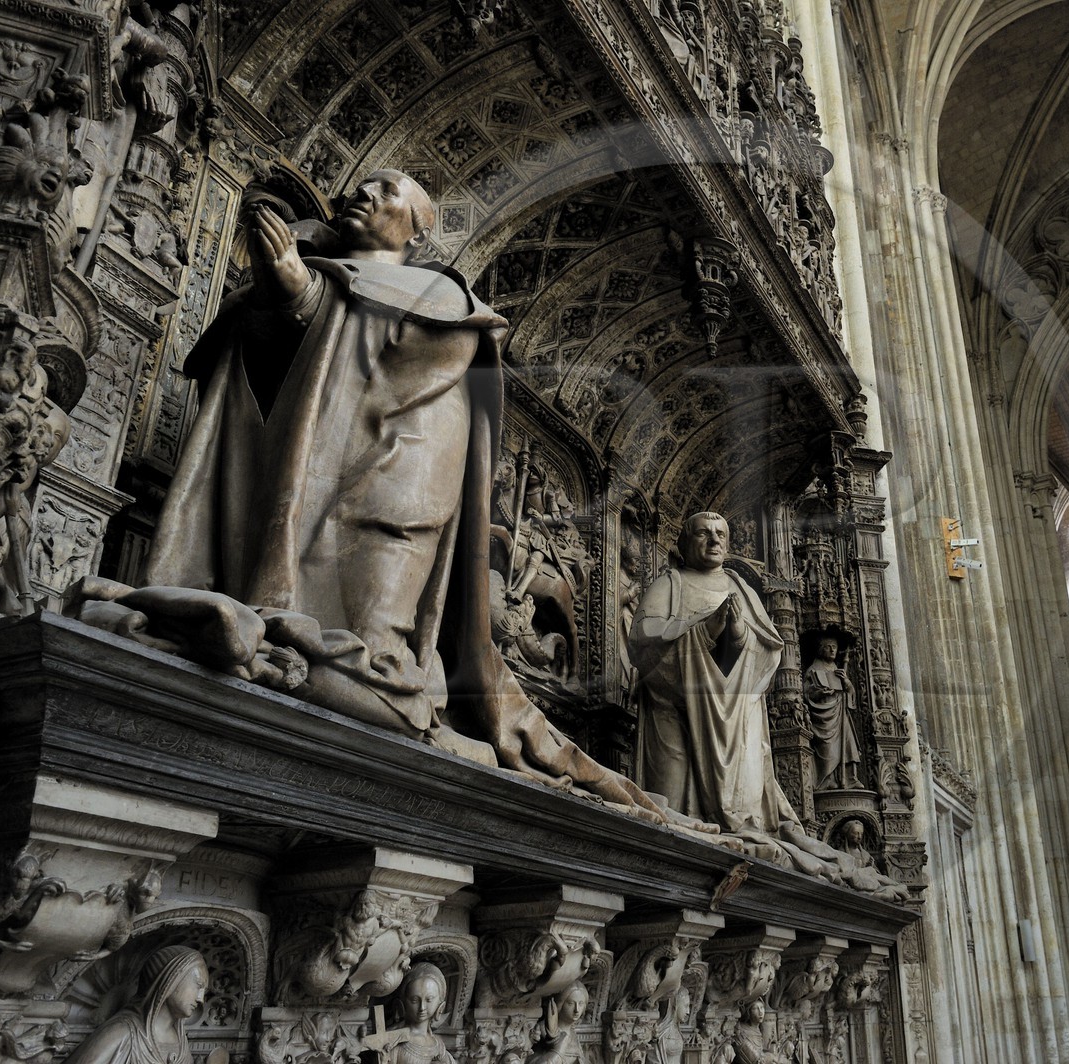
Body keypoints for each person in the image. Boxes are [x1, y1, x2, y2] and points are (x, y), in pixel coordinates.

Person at [83, 169, 665, 820]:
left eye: (386, 190)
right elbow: (267, 370)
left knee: (379, 641)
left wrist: (307, 291)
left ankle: (313, 669)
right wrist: (284, 294)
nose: (362, 194)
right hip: (309, 473)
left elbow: (410, 352)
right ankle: (268, 648)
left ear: (417, 232)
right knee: (327, 624)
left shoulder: (443, 295)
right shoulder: (316, 272)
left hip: (402, 485)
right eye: (358, 187)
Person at [630, 512, 797, 833]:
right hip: (676, 714)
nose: (714, 540)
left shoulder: (742, 589)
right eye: (703, 533)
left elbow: (767, 653)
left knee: (746, 818)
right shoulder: (669, 584)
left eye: (720, 534)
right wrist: (704, 630)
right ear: (685, 542)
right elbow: (642, 642)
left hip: (736, 724)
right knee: (671, 807)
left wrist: (737, 633)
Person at [66, 945, 207, 1064]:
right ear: (170, 980)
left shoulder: (181, 1042)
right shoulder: (122, 1033)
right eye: (198, 986)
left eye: (204, 991)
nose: (201, 999)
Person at [364, 962, 456, 1064]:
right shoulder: (394, 1041)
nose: (422, 1007)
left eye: (429, 1000)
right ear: (402, 1003)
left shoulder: (438, 1046)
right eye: (414, 1000)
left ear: (440, 1004)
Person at [804, 637, 862, 790]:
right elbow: (806, 693)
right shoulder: (813, 669)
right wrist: (819, 693)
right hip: (824, 716)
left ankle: (851, 777)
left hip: (841, 712)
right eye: (828, 647)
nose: (832, 650)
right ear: (820, 649)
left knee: (849, 742)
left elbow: (850, 692)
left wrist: (847, 683)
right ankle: (827, 779)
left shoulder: (838, 669)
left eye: (834, 647)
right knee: (828, 748)